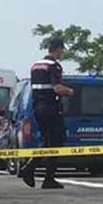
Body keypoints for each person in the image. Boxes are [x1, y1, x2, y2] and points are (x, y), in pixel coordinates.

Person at [19, 37, 73, 189]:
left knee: (47, 141)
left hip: (38, 107)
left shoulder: (36, 65)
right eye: (62, 50)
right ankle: (43, 175)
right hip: (50, 107)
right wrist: (69, 91)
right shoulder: (54, 66)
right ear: (58, 49)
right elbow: (57, 88)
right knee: (56, 142)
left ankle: (34, 170)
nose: (63, 53)